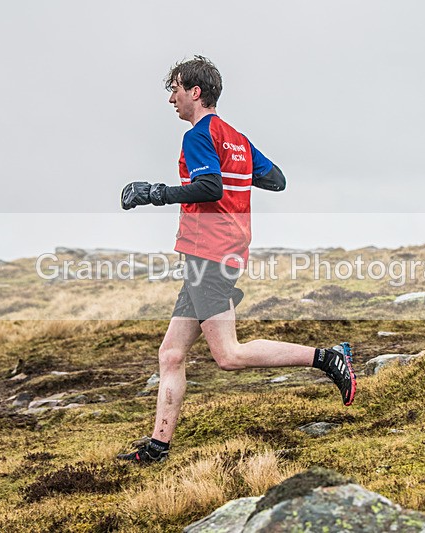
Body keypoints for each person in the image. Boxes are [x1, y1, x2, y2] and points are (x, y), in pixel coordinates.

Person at [116, 56, 356, 464]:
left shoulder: (197, 135)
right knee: (171, 353)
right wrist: (238, 178)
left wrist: (152, 192)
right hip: (220, 253)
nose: (171, 98)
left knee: (228, 355)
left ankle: (327, 357)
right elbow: (275, 179)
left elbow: (207, 187)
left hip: (209, 254)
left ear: (195, 91)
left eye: (175, 89)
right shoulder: (237, 139)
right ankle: (158, 447)